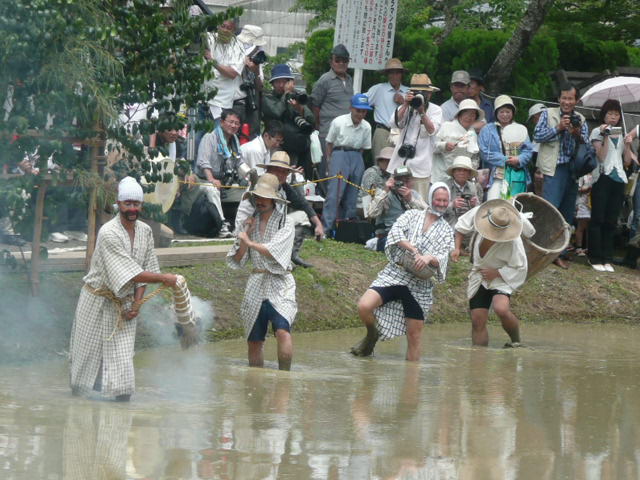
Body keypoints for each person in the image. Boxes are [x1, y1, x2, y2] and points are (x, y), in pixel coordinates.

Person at [69, 177, 178, 401]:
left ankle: (119, 415)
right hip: (96, 299)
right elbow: (131, 273)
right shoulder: (108, 232)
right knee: (86, 363)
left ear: (141, 206)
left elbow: (145, 270)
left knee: (122, 364)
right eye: (127, 204)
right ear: (118, 204)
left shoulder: (146, 231)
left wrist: (137, 304)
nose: (132, 209)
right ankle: (83, 415)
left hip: (126, 302)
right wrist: (164, 278)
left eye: (136, 204)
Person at [351, 183, 454, 361]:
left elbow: (444, 256)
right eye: (438, 199)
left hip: (419, 284)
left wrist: (429, 258)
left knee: (414, 338)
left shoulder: (446, 230)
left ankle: (411, 383)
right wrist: (412, 249)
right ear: (431, 199)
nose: (442, 203)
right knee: (364, 306)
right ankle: (372, 334)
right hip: (396, 273)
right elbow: (396, 232)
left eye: (445, 200)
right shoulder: (412, 215)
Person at [228, 173, 296, 371]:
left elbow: (274, 252)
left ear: (274, 199)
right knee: (254, 339)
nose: (260, 201)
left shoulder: (285, 223)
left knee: (282, 330)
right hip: (256, 282)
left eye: (265, 197)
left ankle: (285, 378)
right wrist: (245, 237)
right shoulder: (250, 223)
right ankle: (256, 382)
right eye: (258, 197)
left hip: (280, 283)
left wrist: (250, 242)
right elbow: (238, 258)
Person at [452, 198, 535, 347]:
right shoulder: (481, 213)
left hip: (501, 275)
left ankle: (516, 341)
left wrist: (497, 273)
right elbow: (461, 226)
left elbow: (521, 267)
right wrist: (457, 248)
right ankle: (478, 357)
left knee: (501, 308)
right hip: (479, 274)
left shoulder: (514, 242)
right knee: (477, 320)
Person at [235, 151, 324, 268]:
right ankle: (279, 258)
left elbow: (303, 204)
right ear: (269, 170)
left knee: (300, 216)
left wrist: (318, 224)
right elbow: (256, 215)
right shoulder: (260, 185)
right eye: (277, 170)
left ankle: (291, 255)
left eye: (284, 171)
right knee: (284, 221)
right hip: (250, 230)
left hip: (268, 229)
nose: (281, 175)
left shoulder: (283, 187)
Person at [534, 83, 590, 269]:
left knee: (567, 212)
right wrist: (558, 127)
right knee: (551, 210)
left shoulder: (581, 119)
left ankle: (560, 252)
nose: (567, 101)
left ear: (576, 100)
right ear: (558, 99)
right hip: (554, 168)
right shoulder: (547, 114)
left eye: (570, 98)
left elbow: (587, 145)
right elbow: (538, 135)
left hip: (573, 169)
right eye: (564, 98)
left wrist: (576, 133)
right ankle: (544, 251)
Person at [587, 99, 634, 272]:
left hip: (619, 178)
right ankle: (594, 256)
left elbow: (627, 161)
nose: (613, 118)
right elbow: (601, 156)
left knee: (611, 220)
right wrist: (605, 135)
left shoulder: (622, 134)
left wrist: (628, 144)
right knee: (598, 217)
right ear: (604, 115)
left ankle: (607, 257)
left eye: (615, 114)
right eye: (610, 114)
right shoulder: (596, 132)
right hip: (602, 177)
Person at [386, 73, 443, 201]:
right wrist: (406, 104)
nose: (422, 95)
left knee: (418, 203)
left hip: (420, 168)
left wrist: (422, 112)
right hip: (399, 164)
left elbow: (432, 130)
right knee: (394, 201)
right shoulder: (406, 107)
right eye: (418, 93)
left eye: (425, 93)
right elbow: (393, 123)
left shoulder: (436, 110)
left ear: (430, 94)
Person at [322, 93, 372, 232]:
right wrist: (330, 162)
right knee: (335, 192)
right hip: (340, 153)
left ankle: (346, 228)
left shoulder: (367, 126)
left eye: (363, 111)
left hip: (356, 155)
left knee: (353, 193)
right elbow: (329, 143)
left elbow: (364, 148)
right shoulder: (339, 122)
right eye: (358, 110)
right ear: (351, 108)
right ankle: (326, 227)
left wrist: (356, 160)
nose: (360, 114)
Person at [261, 64, 316, 179]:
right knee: (278, 176)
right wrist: (285, 95)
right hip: (277, 144)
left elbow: (311, 120)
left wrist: (299, 108)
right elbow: (276, 112)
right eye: (278, 82)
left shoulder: (295, 96)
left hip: (297, 144)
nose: (281, 85)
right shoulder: (268, 97)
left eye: (284, 82)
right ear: (272, 83)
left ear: (290, 82)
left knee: (299, 177)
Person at [196, 109, 243, 237]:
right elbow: (203, 162)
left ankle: (240, 226)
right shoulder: (210, 137)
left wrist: (250, 177)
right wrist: (211, 179)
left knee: (247, 191)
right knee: (212, 189)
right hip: (203, 180)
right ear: (222, 122)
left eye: (237, 123)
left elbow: (240, 163)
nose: (233, 126)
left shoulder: (235, 142)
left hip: (225, 181)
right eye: (231, 122)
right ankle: (222, 225)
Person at [310, 44, 354, 179]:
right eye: (337, 60)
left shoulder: (349, 79)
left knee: (343, 172)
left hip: (346, 134)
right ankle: (324, 199)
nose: (341, 63)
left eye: (344, 60)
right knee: (327, 171)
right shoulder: (325, 80)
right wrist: (318, 126)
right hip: (327, 133)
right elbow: (314, 105)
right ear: (331, 61)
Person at [479, 95, 533, 200]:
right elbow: (484, 152)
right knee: (492, 202)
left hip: (516, 176)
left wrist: (519, 159)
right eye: (501, 112)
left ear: (512, 113)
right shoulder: (487, 130)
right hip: (495, 176)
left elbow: (528, 150)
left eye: (508, 112)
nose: (505, 115)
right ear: (496, 113)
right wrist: (505, 160)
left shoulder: (521, 129)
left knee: (514, 205)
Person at [369, 165, 427, 251]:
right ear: (393, 181)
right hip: (389, 236)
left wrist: (410, 200)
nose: (403, 184)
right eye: (400, 181)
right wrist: (385, 190)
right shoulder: (385, 194)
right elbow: (371, 213)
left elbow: (428, 214)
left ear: (411, 181)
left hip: (410, 235)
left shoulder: (414, 195)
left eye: (407, 181)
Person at [366, 58, 410, 159]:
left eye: (397, 73)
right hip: (383, 131)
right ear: (387, 75)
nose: (394, 76)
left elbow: (416, 112)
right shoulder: (379, 89)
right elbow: (361, 101)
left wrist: (404, 102)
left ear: (401, 74)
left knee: (401, 166)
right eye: (391, 73)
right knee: (380, 165)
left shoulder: (408, 91)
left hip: (403, 133)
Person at [203, 19, 246, 122]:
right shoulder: (208, 38)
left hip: (221, 102)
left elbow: (232, 73)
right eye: (223, 26)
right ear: (218, 26)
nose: (225, 30)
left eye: (229, 28)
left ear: (234, 30)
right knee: (197, 136)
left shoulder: (238, 47)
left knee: (218, 134)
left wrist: (212, 61)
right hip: (202, 98)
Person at [433, 98, 483, 183]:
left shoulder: (473, 133)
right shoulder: (446, 126)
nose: (469, 117)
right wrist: (444, 146)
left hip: (464, 178)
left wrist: (471, 169)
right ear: (460, 114)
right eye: (466, 113)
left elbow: (475, 156)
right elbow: (432, 147)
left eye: (473, 114)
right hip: (443, 176)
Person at [232, 25, 266, 141]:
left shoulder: (255, 57)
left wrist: (256, 71)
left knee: (249, 137)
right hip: (234, 103)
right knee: (232, 137)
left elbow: (260, 86)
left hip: (251, 104)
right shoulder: (232, 52)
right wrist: (242, 64)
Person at [444, 155, 480, 229]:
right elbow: (436, 209)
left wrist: (474, 204)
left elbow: (478, 208)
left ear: (469, 174)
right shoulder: (445, 187)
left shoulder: (472, 187)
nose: (462, 173)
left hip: (467, 223)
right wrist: (452, 205)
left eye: (465, 170)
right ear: (453, 172)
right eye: (459, 170)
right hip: (449, 223)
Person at [361, 146, 393, 215]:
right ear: (379, 161)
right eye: (384, 160)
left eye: (390, 161)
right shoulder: (371, 173)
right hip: (367, 208)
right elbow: (366, 197)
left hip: (382, 207)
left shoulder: (391, 175)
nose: (387, 163)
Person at [527, 103, 547, 196]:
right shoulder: (538, 129)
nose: (534, 121)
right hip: (535, 159)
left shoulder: (548, 129)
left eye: (534, 118)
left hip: (543, 161)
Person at [574, 172, 592, 257]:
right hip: (582, 202)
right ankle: (578, 248)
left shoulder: (596, 175)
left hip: (592, 203)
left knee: (590, 227)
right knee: (581, 226)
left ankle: (589, 248)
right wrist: (587, 189)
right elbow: (577, 189)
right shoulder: (582, 176)